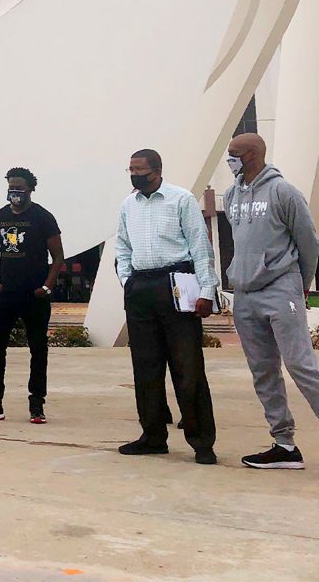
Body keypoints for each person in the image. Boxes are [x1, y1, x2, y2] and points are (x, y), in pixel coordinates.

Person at [224, 133, 319, 480]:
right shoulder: (232, 194)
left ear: (254, 154)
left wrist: (299, 284)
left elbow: (308, 242)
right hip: (245, 294)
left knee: (301, 366)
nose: (230, 160)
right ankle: (284, 445)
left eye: (235, 154)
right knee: (263, 371)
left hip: (280, 288)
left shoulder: (283, 192)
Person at [114, 149, 219, 465]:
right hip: (140, 286)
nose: (134, 174)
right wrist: (126, 279)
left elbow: (201, 248)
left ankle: (201, 442)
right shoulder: (127, 205)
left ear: (157, 170)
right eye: (130, 169)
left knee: (187, 366)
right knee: (145, 366)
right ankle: (153, 436)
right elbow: (122, 245)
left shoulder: (181, 199)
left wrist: (207, 290)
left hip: (177, 283)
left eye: (140, 169)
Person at [0, 168, 64, 424]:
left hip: (35, 295)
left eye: (19, 187)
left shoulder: (43, 217)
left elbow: (58, 257)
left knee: (38, 348)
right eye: (11, 186)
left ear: (31, 188)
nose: (15, 192)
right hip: (6, 293)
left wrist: (46, 286)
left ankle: (36, 402)